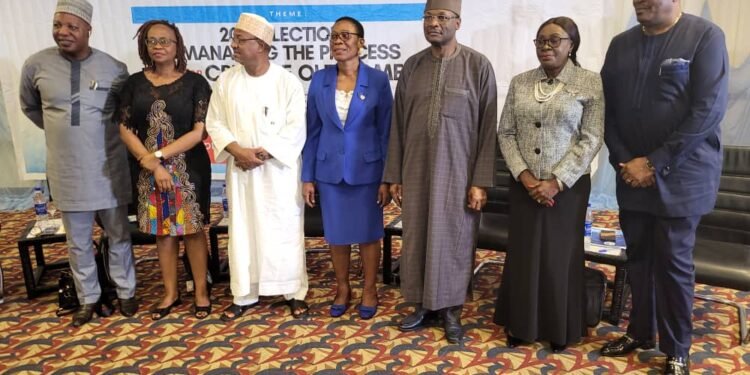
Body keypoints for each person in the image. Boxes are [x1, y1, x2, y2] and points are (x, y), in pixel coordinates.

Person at [599, 0, 728, 373]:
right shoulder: (621, 44)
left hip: (683, 176)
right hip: (631, 176)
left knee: (673, 264)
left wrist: (654, 162)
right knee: (638, 259)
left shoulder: (705, 36)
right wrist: (625, 160)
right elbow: (607, 110)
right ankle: (640, 332)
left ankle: (677, 349)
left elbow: (707, 111)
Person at [383, 0, 497, 343]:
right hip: (416, 167)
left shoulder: (478, 65)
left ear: (458, 23)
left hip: (459, 171)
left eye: (442, 17)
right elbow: (398, 125)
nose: (434, 23)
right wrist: (395, 176)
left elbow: (488, 127)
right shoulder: (412, 66)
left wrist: (480, 181)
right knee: (416, 236)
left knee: (454, 238)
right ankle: (420, 304)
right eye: (429, 17)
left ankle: (450, 310)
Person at [19, 0, 136, 327]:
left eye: (72, 26)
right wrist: (63, 133)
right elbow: (30, 107)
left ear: (88, 30)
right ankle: (88, 298)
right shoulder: (35, 66)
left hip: (107, 169)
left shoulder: (114, 68)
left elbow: (124, 118)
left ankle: (126, 291)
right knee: (78, 241)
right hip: (67, 171)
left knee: (118, 235)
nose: (63, 32)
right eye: (58, 25)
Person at [494, 17, 604, 353]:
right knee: (525, 254)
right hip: (524, 184)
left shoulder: (590, 83)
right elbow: (506, 132)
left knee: (560, 256)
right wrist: (525, 176)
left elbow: (592, 137)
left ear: (572, 44)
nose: (546, 46)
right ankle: (522, 325)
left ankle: (560, 327)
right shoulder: (521, 81)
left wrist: (557, 182)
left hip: (567, 188)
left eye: (555, 40)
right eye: (540, 41)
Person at [205, 13, 309, 322]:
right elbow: (215, 122)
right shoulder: (226, 80)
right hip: (241, 173)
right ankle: (244, 293)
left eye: (240, 39)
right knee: (243, 230)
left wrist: (259, 156)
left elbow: (295, 129)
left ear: (261, 45)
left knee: (284, 230)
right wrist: (239, 152)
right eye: (233, 39)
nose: (233, 45)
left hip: (278, 174)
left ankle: (292, 292)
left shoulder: (287, 82)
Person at [117, 20, 213, 320]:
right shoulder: (133, 84)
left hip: (189, 169)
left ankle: (200, 291)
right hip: (148, 172)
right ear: (144, 46)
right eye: (152, 40)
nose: (158, 46)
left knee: (193, 231)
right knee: (163, 233)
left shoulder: (196, 83)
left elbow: (199, 132)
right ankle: (170, 292)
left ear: (177, 46)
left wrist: (158, 156)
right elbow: (124, 127)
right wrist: (150, 162)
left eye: (165, 41)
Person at [302, 17, 393, 320]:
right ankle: (343, 288)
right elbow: (312, 130)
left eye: (346, 36)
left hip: (367, 172)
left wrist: (386, 178)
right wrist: (307, 177)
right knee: (337, 235)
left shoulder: (378, 80)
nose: (338, 42)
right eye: (334, 36)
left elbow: (386, 131)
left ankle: (369, 289)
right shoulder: (319, 79)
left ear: (361, 43)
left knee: (369, 234)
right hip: (329, 172)